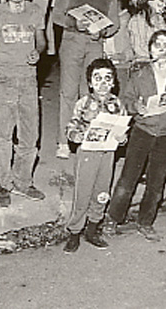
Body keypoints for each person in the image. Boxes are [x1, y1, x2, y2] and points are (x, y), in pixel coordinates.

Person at [103, 30, 166, 240]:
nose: (160, 48)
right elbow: (125, 99)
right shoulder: (140, 75)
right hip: (142, 132)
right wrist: (136, 106)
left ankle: (145, 221)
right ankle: (113, 218)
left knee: (156, 183)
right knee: (127, 180)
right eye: (156, 44)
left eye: (165, 45)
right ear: (150, 49)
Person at [52, 0, 120, 159]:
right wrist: (74, 23)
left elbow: (114, 22)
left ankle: (89, 136)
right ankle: (64, 140)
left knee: (92, 92)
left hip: (94, 43)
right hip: (72, 41)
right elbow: (56, 15)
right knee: (68, 91)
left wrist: (104, 31)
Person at [0, 0, 47, 207]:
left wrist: (38, 51)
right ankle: (4, 183)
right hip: (3, 78)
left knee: (29, 134)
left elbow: (42, 40)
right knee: (3, 134)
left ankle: (23, 181)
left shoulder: (35, 11)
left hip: (28, 79)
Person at [63, 58, 128, 253]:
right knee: (82, 194)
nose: (103, 83)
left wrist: (122, 138)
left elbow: (122, 132)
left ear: (114, 82)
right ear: (90, 82)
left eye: (108, 78)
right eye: (97, 78)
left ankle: (92, 229)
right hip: (87, 155)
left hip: (107, 154)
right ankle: (74, 232)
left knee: (101, 193)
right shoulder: (83, 103)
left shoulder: (117, 104)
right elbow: (71, 129)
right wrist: (78, 135)